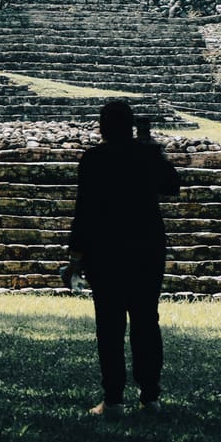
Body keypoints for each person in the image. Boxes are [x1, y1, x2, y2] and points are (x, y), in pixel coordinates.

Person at [68, 99, 183, 414]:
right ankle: (150, 396)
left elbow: (84, 211)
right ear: (132, 125)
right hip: (147, 249)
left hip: (105, 251)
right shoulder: (145, 155)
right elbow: (172, 185)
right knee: (147, 321)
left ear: (102, 126)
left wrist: (75, 257)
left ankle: (114, 399)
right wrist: (151, 149)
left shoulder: (93, 159)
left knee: (110, 325)